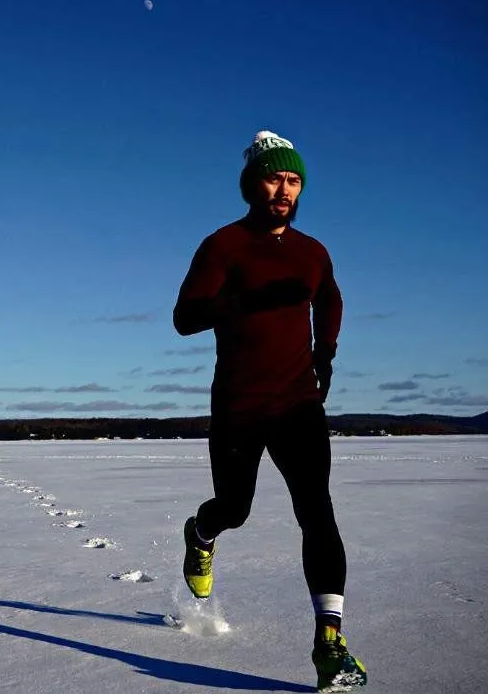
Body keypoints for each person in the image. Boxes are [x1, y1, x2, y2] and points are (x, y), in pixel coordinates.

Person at [172, 130, 367, 692]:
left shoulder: (312, 252)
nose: (285, 189)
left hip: (298, 403)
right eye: (275, 177)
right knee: (235, 508)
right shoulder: (223, 246)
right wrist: (245, 301)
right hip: (238, 404)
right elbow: (185, 317)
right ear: (252, 184)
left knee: (318, 511)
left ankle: (330, 640)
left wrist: (325, 352)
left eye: (294, 179)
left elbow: (328, 296)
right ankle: (202, 532)